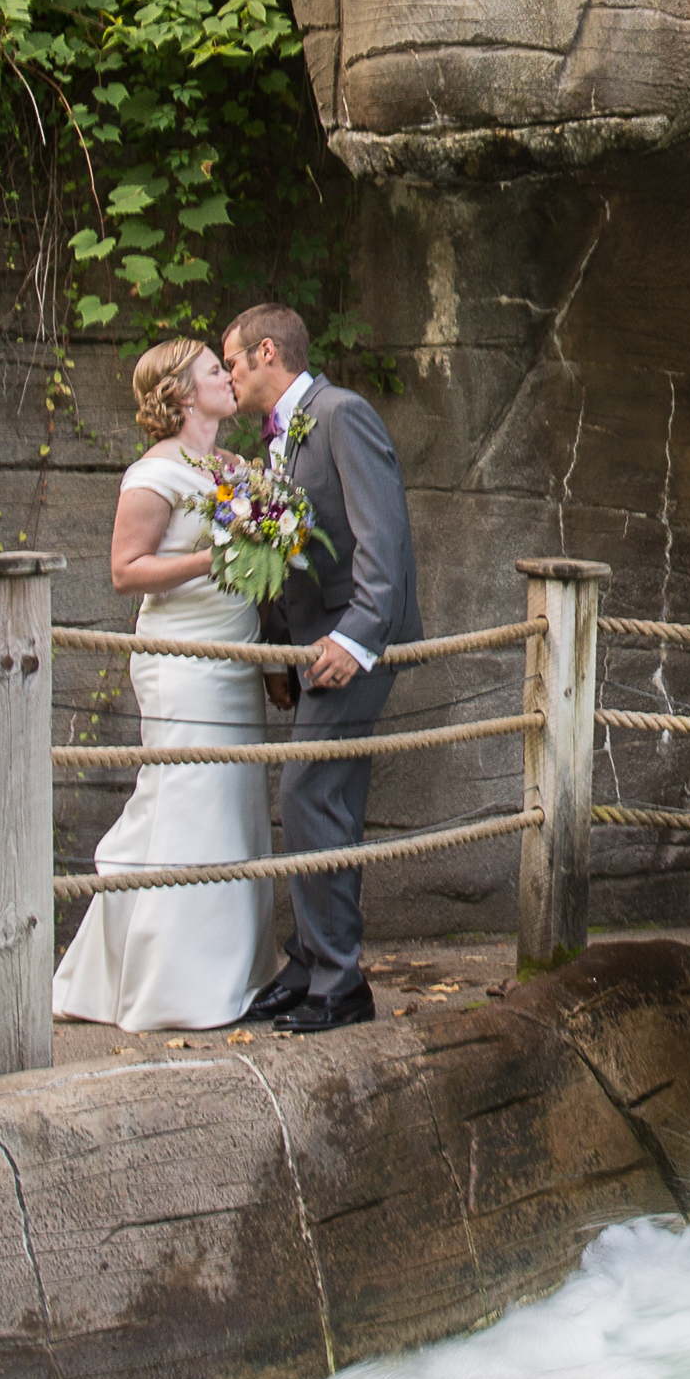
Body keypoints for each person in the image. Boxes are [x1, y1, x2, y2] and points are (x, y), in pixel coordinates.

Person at [52, 339, 268, 1034]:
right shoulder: (155, 473)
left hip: (236, 656)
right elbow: (126, 570)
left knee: (229, 804)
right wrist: (219, 554)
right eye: (213, 370)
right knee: (189, 800)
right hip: (181, 659)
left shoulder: (234, 468)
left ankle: (220, 972)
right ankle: (174, 987)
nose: (227, 378)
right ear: (180, 394)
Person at [222, 301, 421, 1033]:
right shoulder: (275, 439)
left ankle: (342, 983)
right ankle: (310, 962)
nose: (229, 375)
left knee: (308, 793)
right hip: (309, 647)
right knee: (321, 803)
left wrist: (356, 638)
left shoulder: (341, 414)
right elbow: (283, 554)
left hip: (352, 646)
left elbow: (383, 535)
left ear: (267, 353)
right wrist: (279, 650)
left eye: (233, 361)